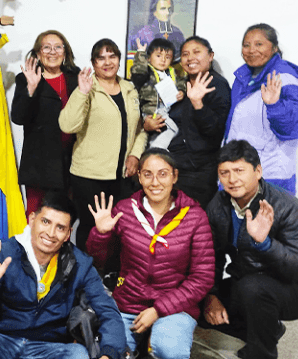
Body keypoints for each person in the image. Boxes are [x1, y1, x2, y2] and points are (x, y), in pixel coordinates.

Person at [0, 192, 126, 359]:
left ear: (68, 234)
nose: (50, 233)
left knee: (78, 354)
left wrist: (108, 354)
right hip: (1, 342)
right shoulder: (5, 252)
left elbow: (108, 311)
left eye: (60, 228)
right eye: (45, 222)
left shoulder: (80, 263)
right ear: (32, 220)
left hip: (48, 349)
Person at [201, 140, 298, 359]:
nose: (232, 179)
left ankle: (261, 353)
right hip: (248, 278)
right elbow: (212, 255)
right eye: (224, 172)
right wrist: (211, 294)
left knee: (253, 288)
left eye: (239, 170)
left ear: (258, 171)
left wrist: (265, 243)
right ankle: (268, 328)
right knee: (196, 306)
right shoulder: (219, 204)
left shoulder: (288, 207)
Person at [86, 148, 215, 359]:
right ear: (139, 176)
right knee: (107, 353)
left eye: (163, 174)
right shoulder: (125, 210)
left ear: (175, 176)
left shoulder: (195, 216)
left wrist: (158, 310)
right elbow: (97, 258)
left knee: (168, 350)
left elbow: (203, 277)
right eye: (147, 174)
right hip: (128, 302)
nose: (155, 182)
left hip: (175, 307)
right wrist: (101, 233)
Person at [59, 38, 147, 251]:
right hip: (90, 176)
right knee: (90, 228)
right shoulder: (87, 88)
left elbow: (140, 129)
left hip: (123, 177)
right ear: (93, 63)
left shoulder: (129, 88)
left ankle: (112, 275)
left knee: (122, 228)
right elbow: (67, 125)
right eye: (101, 58)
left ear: (119, 59)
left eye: (112, 56)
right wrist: (81, 92)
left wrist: (135, 155)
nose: (107, 62)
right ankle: (85, 276)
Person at [224, 23, 298, 195]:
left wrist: (275, 105)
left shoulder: (284, 77)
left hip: (270, 178)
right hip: (237, 175)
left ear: (274, 48)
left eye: (259, 44)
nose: (251, 50)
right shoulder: (242, 79)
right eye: (246, 45)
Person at [144, 36, 231, 208]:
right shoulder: (179, 84)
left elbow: (216, 131)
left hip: (197, 172)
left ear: (210, 56)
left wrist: (198, 104)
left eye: (196, 52)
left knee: (192, 225)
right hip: (172, 167)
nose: (190, 58)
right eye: (185, 54)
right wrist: (148, 126)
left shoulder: (217, 85)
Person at [11, 30, 79, 217]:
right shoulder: (25, 78)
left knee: (64, 215)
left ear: (65, 52)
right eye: (46, 47)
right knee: (35, 215)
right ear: (38, 53)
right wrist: (31, 89)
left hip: (71, 162)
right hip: (39, 165)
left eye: (58, 47)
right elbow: (18, 117)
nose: (52, 52)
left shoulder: (75, 77)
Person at [130, 38, 187, 149]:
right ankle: (157, 148)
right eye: (158, 56)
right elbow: (138, 71)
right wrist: (141, 53)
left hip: (167, 109)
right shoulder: (147, 71)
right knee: (171, 128)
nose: (163, 60)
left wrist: (181, 91)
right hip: (149, 110)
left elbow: (181, 82)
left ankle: (155, 147)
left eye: (167, 57)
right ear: (149, 58)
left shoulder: (172, 72)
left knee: (166, 130)